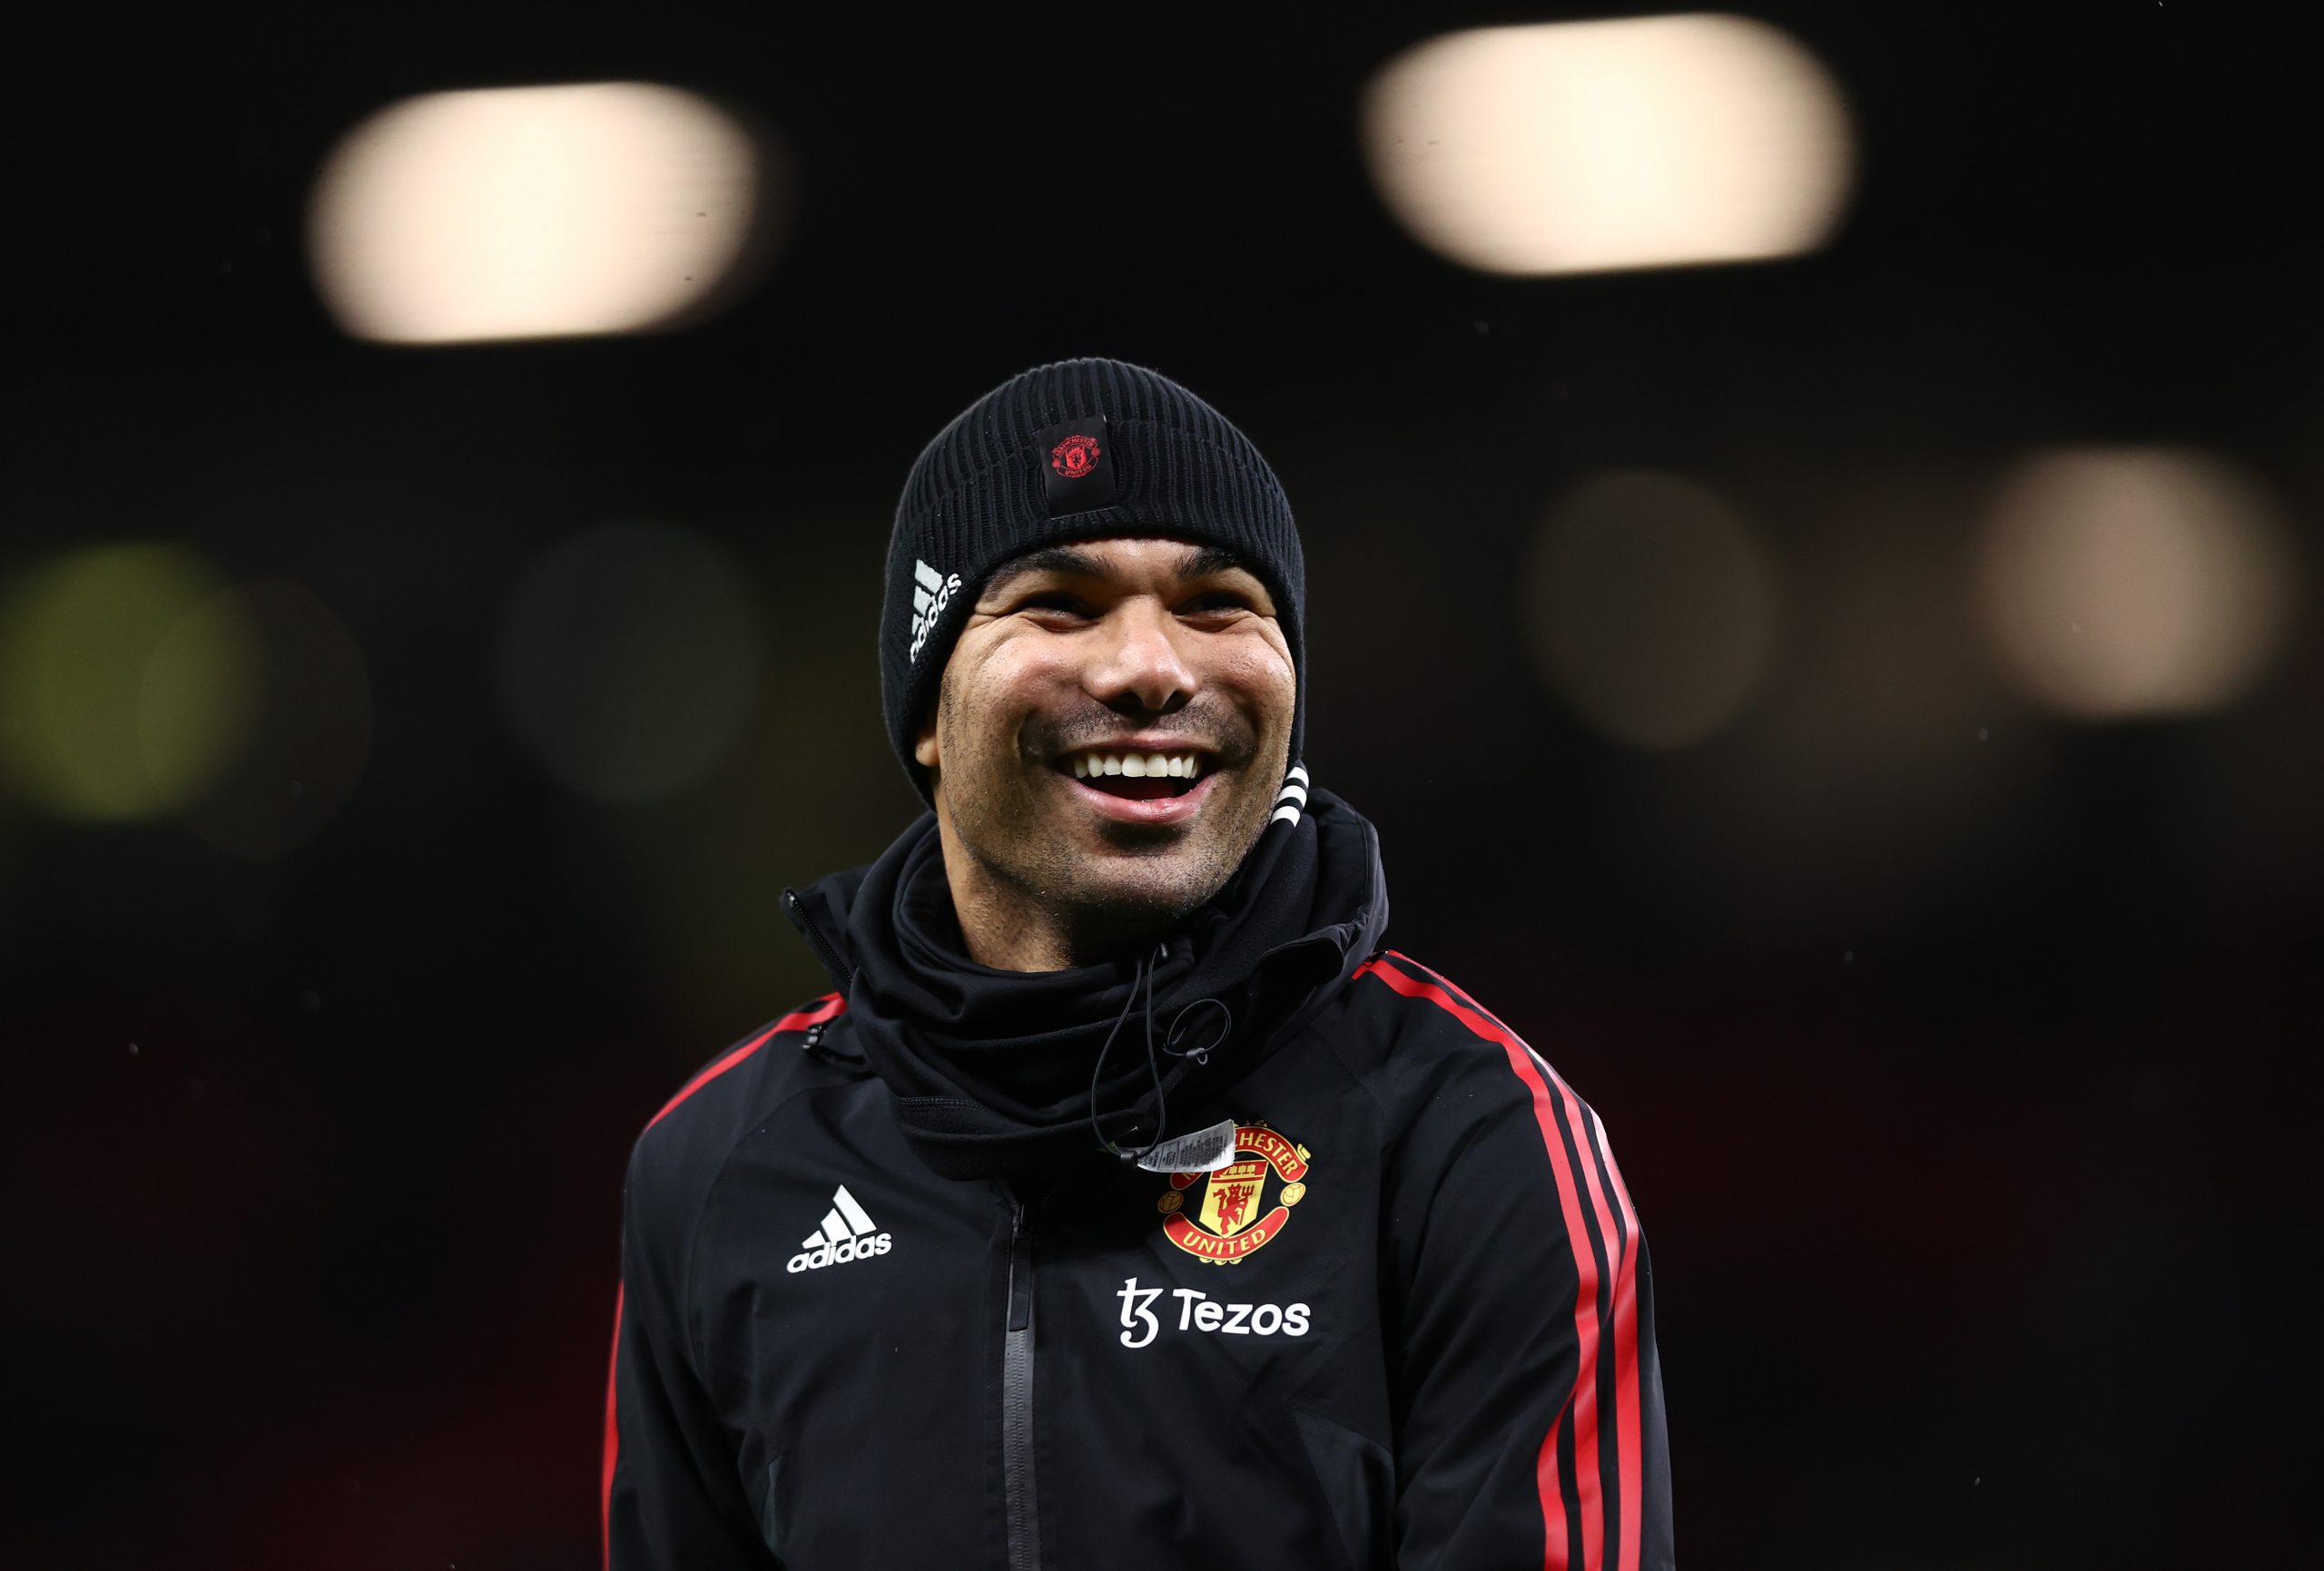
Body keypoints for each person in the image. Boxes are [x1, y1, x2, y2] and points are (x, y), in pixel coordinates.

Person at [604, 358, 1673, 1571]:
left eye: (1218, 602)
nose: (1151, 668)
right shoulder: (718, 1168)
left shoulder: (1476, 1141)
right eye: (1059, 602)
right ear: (923, 706)